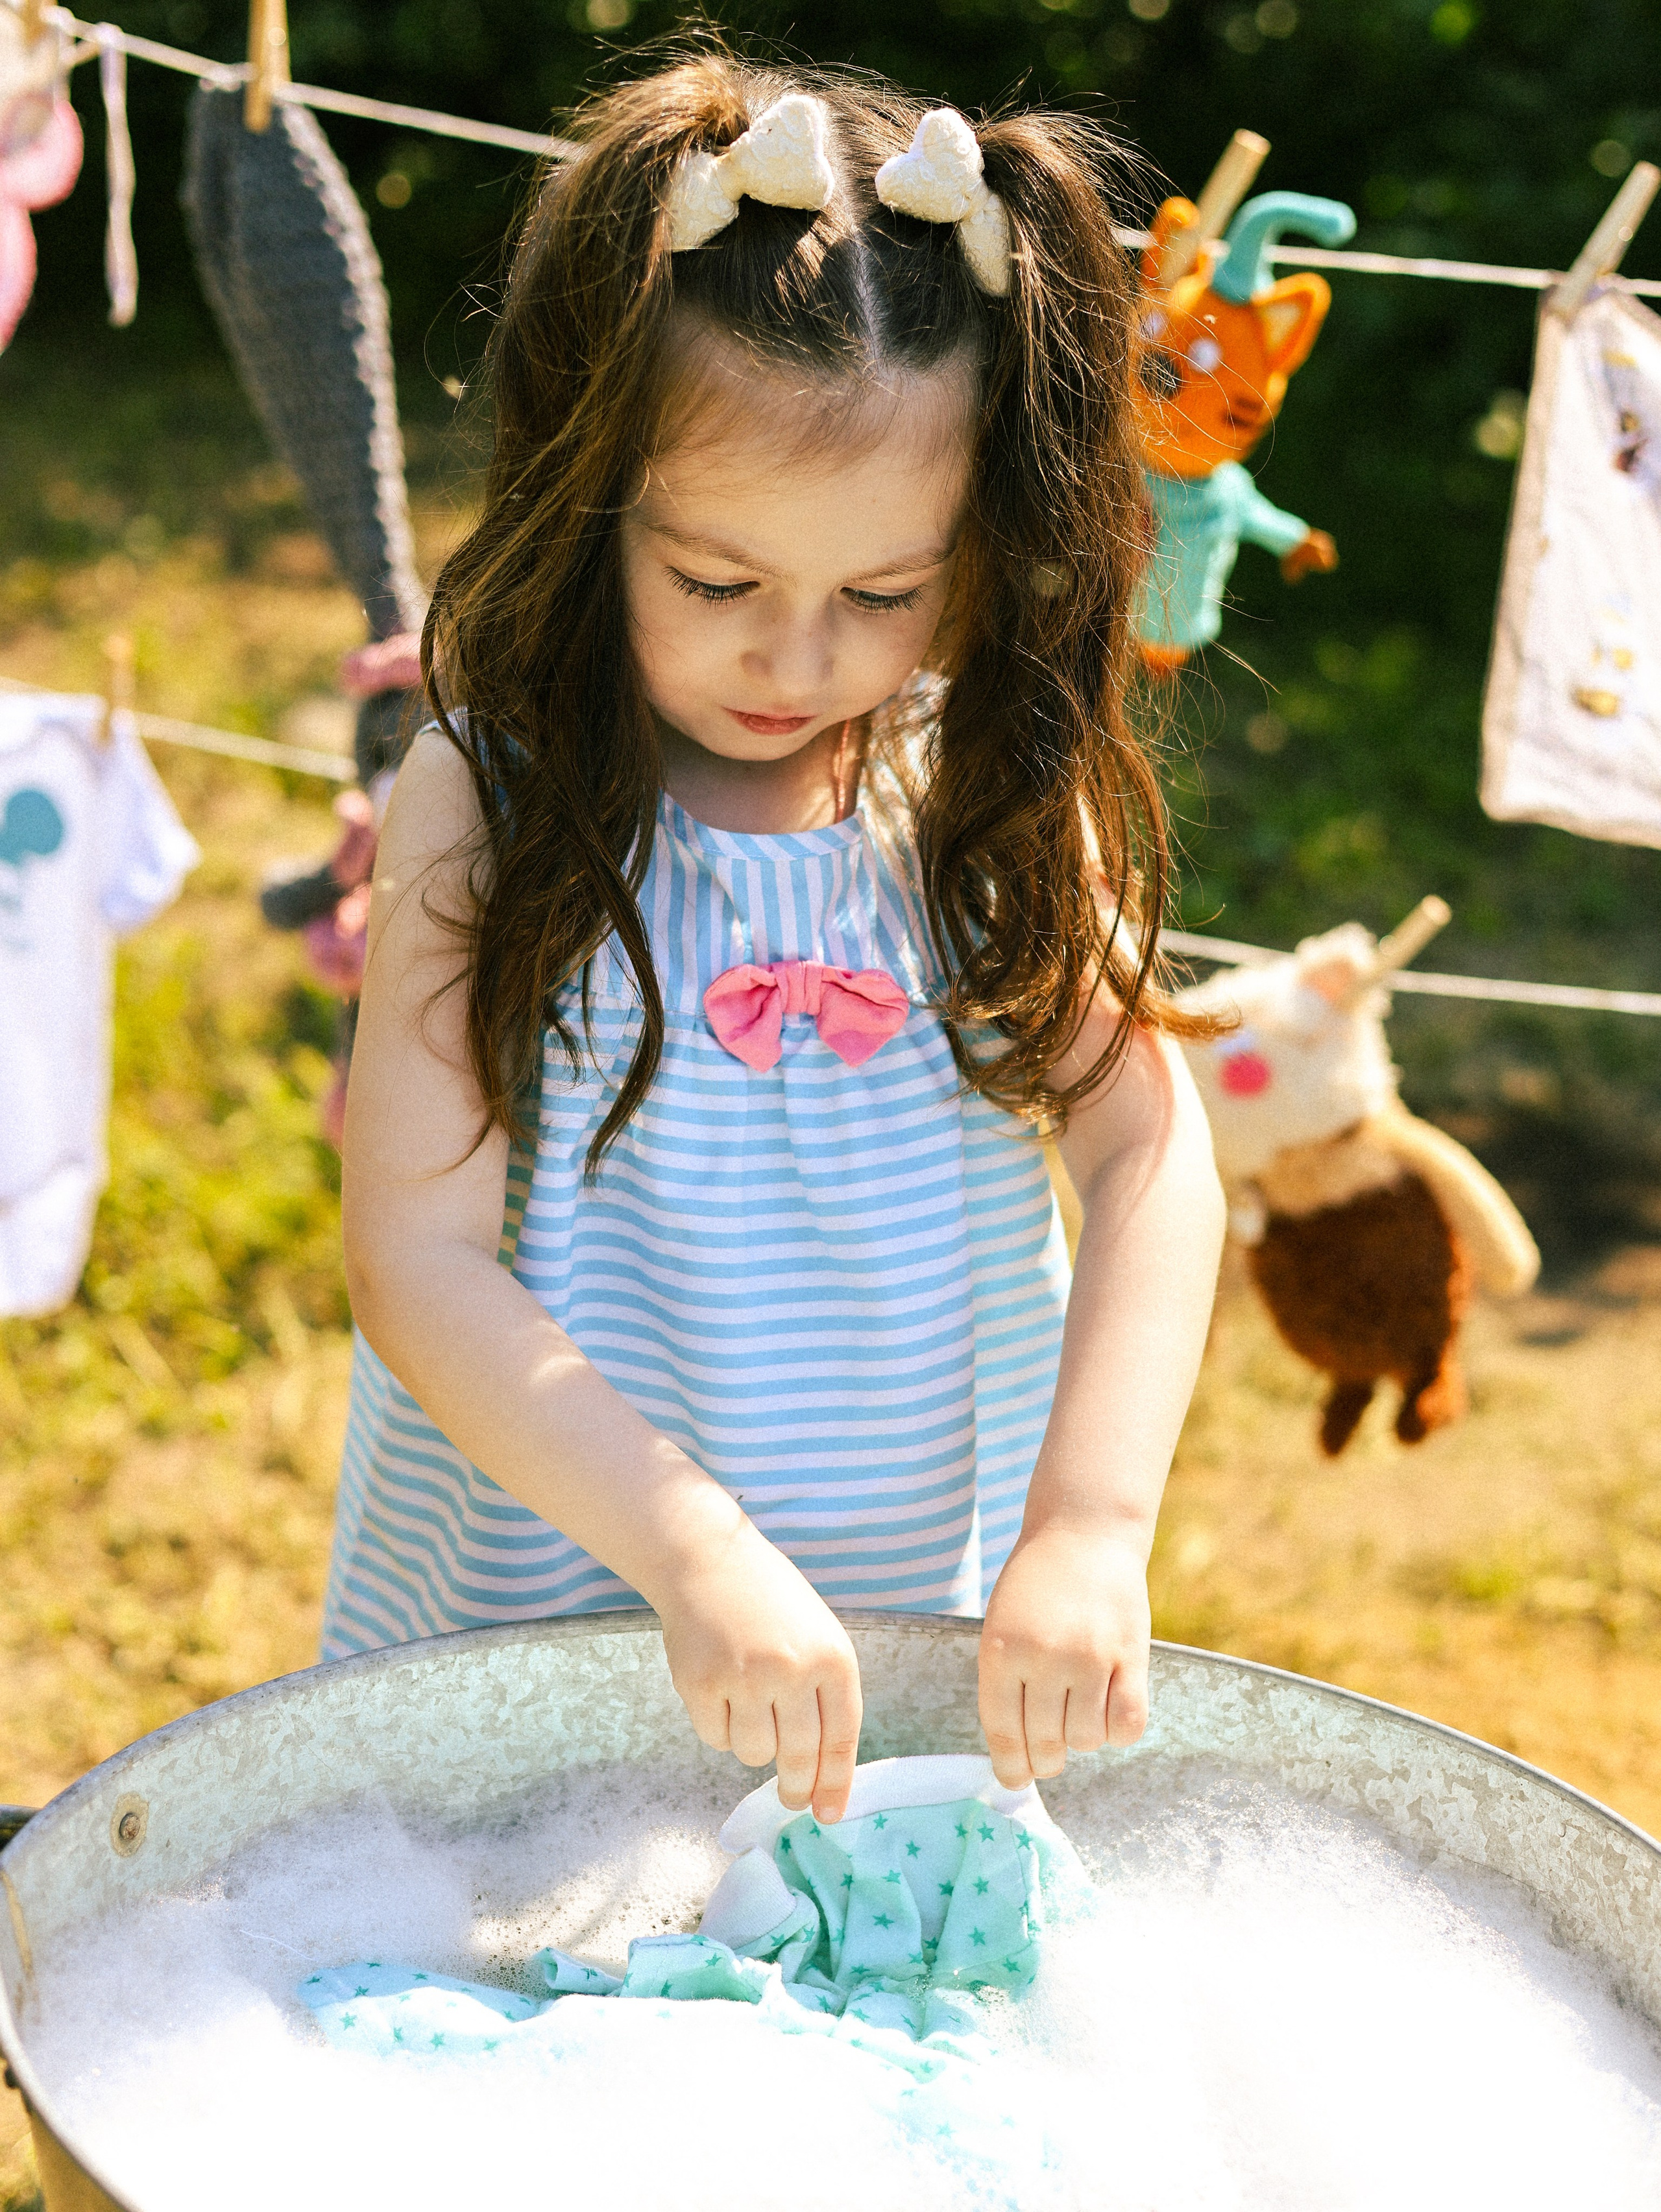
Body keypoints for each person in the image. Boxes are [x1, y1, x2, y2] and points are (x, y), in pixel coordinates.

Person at [331, 55, 1226, 1830]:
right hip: (540, 1643)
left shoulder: (978, 802)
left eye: (882, 594)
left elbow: (1148, 1147)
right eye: (716, 583)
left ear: (980, 552)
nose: (796, 662)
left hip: (890, 1657)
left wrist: (1092, 1523)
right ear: (595, 502)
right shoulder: (488, 802)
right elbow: (417, 1259)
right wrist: (694, 1550)